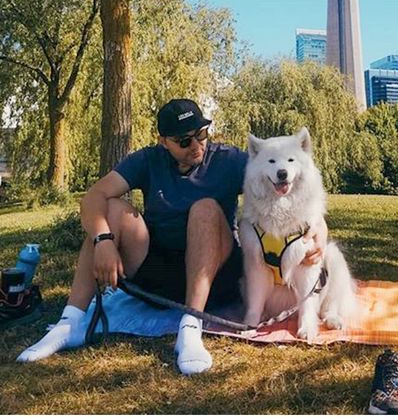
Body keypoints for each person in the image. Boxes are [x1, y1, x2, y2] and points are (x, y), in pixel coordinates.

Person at [17, 99, 322, 375]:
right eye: (184, 140)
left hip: (214, 275)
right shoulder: (147, 160)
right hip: (157, 272)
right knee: (110, 210)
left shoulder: (229, 160)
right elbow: (94, 195)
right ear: (163, 142)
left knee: (204, 209)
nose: (196, 145)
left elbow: (292, 184)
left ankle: (190, 328)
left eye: (201, 134)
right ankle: (69, 323)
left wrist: (318, 230)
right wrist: (103, 240)